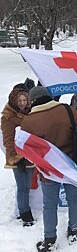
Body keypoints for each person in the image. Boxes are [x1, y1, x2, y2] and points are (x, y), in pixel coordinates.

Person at [20, 86, 77, 252]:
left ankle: (49, 240)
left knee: (49, 204)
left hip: (48, 168)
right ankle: (73, 231)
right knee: (74, 198)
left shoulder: (29, 121)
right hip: (71, 163)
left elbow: (26, 147)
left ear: (33, 101)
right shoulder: (68, 109)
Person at [1, 87, 35, 227]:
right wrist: (15, 156)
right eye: (19, 100)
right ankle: (25, 214)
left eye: (24, 100)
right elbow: (8, 139)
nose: (22, 103)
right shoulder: (7, 117)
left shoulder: (32, 113)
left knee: (28, 185)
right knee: (22, 186)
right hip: (18, 156)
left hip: (31, 155)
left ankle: (25, 209)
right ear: (14, 101)